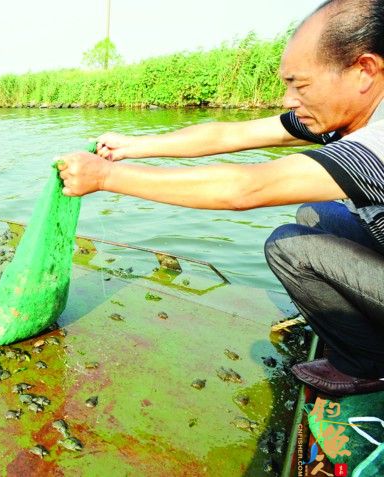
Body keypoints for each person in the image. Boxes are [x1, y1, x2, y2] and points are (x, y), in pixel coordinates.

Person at [58, 0, 384, 397]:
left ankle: (367, 365)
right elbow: (228, 135)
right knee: (316, 214)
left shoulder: (378, 137)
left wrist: (107, 177)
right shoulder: (346, 112)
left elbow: (245, 188)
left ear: (364, 70)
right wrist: (135, 146)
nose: (288, 99)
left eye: (300, 85)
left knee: (290, 247)